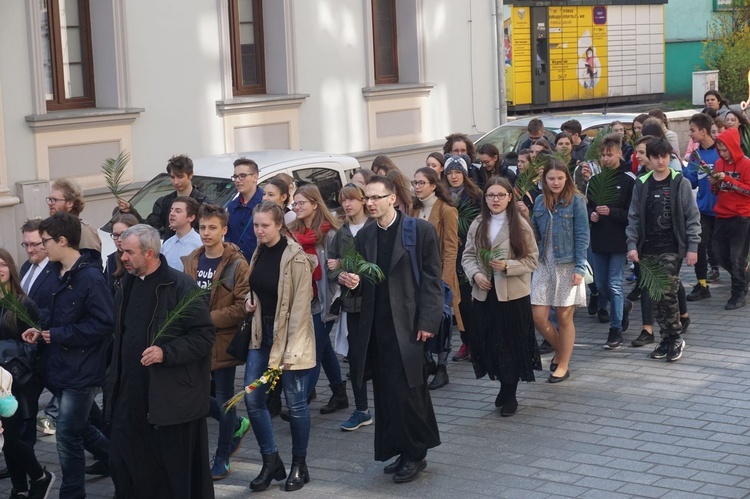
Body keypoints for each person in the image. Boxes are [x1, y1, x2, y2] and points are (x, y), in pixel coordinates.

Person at [340, 175, 442, 484]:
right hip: (375, 327)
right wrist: (352, 282)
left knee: (409, 390)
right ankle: (399, 448)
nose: (369, 203)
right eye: (366, 198)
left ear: (392, 199)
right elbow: (357, 279)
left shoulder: (419, 230)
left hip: (408, 325)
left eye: (375, 197)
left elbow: (432, 280)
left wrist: (427, 322)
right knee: (385, 392)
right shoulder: (365, 235)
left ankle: (415, 453)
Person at [105, 224, 215, 498]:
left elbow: (204, 336)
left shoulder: (180, 286)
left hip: (167, 398)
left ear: (150, 253)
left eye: (129, 252)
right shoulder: (126, 284)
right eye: (122, 252)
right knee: (124, 462)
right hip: (129, 393)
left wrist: (166, 352)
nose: (124, 258)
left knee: (168, 471)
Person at [21, 212, 111, 498]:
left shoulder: (90, 277)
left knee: (67, 434)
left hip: (82, 369)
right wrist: (40, 328)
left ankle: (72, 493)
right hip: (60, 365)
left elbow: (104, 323)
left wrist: (59, 334)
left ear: (62, 240)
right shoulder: (59, 272)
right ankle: (121, 461)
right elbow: (60, 314)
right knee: (78, 427)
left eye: (46, 240)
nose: (42, 246)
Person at [243, 201, 316, 492]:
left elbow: (301, 308)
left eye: (265, 225)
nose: (259, 230)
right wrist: (251, 303)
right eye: (256, 225)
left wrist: (290, 351)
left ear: (278, 226)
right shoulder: (258, 250)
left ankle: (300, 464)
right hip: (262, 336)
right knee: (251, 397)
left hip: (291, 339)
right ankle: (270, 459)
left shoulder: (296, 258)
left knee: (295, 404)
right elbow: (259, 288)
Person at [182, 204, 251, 480]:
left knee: (224, 397)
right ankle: (237, 423)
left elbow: (242, 306)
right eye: (202, 227)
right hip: (195, 339)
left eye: (212, 228)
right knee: (195, 393)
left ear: (224, 230)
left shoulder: (236, 263)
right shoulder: (192, 260)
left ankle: (222, 456)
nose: (206, 233)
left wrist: (207, 318)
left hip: (222, 339)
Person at [461, 177, 540, 416]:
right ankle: (503, 385)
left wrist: (507, 265)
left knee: (511, 343)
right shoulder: (478, 223)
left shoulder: (520, 225)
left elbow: (532, 260)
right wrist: (475, 275)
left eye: (500, 195)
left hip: (512, 295)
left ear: (509, 197)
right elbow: (468, 256)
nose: (495, 200)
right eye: (490, 195)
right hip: (485, 293)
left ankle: (510, 392)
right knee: (489, 342)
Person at [626, 138, 700, 361]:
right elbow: (634, 218)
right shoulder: (642, 183)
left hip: (671, 248)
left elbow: (692, 216)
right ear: (649, 157)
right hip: (647, 248)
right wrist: (632, 246)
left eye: (664, 156)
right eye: (656, 156)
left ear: (670, 157)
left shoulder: (680, 182)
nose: (660, 161)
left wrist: (692, 247)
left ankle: (676, 337)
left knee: (667, 293)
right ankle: (666, 338)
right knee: (655, 295)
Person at [0, 248, 56, 499]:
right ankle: (20, 489)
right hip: (0, 380)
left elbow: (33, 344)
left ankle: (40, 477)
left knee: (13, 438)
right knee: (7, 440)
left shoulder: (23, 304)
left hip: (19, 380)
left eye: (1, 264)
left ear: (10, 268)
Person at [288, 185, 348, 414]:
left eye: (302, 203)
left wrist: (340, 266)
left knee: (312, 348)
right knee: (323, 349)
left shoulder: (330, 232)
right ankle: (339, 393)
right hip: (303, 299)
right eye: (295, 204)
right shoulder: (292, 233)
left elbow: (346, 261)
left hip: (326, 299)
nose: (297, 207)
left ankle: (300, 401)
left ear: (315, 204)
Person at [530, 160, 589, 383]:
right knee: (538, 316)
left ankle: (563, 363)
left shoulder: (576, 202)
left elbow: (583, 236)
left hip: (568, 264)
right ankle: (561, 350)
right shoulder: (538, 201)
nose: (555, 182)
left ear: (567, 178)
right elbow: (535, 234)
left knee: (564, 317)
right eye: (551, 178)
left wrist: (579, 268)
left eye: (560, 178)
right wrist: (526, 215)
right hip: (544, 263)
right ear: (544, 180)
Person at [326, 183, 374, 431]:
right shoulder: (340, 232)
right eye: (343, 200)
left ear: (363, 201)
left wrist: (348, 269)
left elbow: (379, 264)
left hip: (375, 302)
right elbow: (330, 268)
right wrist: (341, 276)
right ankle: (361, 409)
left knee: (378, 356)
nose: (347, 205)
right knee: (355, 358)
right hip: (350, 304)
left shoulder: (374, 227)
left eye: (352, 199)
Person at [410, 167, 460, 390]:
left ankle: (442, 367)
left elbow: (450, 248)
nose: (417, 187)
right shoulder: (414, 207)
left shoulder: (446, 210)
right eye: (415, 183)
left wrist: (445, 279)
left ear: (433, 185)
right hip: (416, 274)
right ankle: (427, 362)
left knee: (442, 321)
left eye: (422, 183)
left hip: (438, 275)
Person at [586, 134, 636, 349]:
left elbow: (632, 214)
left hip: (618, 240)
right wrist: (591, 214)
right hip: (598, 239)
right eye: (603, 156)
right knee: (601, 283)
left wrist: (612, 212)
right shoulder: (595, 181)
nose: (606, 159)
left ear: (619, 154)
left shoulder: (628, 179)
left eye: (610, 155)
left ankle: (615, 329)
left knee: (614, 283)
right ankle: (622, 305)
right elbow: (587, 205)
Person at [19, 219, 60, 439]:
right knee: (26, 409)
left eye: (35, 244)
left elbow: (52, 310)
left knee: (80, 414)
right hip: (30, 353)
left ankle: (106, 451)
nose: (30, 249)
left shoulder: (55, 271)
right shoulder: (27, 267)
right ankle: (25, 460)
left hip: (48, 350)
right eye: (26, 244)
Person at [442, 155, 483, 365]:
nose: (454, 176)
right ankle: (466, 342)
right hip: (449, 255)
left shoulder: (475, 196)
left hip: (469, 254)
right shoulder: (442, 196)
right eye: (450, 172)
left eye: (458, 172)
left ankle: (476, 343)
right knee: (458, 303)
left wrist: (461, 231)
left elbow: (481, 223)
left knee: (469, 301)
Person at [116, 155, 211, 240]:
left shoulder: (205, 204)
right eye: (172, 177)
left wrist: (184, 228)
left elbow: (210, 233)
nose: (176, 182)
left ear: (190, 175)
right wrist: (130, 211)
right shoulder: (164, 202)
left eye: (180, 177)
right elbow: (148, 227)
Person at [710, 128, 750, 310]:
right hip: (722, 215)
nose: (723, 153)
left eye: (725, 149)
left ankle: (739, 292)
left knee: (737, 257)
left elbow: (748, 190)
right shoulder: (719, 163)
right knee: (720, 254)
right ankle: (742, 277)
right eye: (720, 149)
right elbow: (717, 192)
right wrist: (715, 185)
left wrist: (728, 179)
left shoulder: (746, 164)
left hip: (741, 217)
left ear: (733, 146)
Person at [683, 113, 721, 302]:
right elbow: (691, 182)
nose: (690, 134)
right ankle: (702, 285)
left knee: (726, 250)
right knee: (699, 246)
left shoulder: (722, 150)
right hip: (704, 210)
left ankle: (741, 281)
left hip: (725, 210)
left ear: (703, 131)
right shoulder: (695, 156)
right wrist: (679, 168)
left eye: (692, 130)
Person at [48, 178, 102, 265]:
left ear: (70, 203)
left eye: (55, 200)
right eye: (49, 199)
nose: (50, 203)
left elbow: (91, 267)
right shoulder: (53, 229)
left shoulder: (84, 231)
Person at [226, 157, 265, 261]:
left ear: (255, 177)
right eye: (235, 176)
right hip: (236, 264)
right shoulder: (232, 206)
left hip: (259, 263)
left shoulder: (266, 204)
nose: (238, 180)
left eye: (242, 176)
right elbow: (228, 236)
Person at [160, 196, 202, 272]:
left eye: (178, 211)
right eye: (171, 210)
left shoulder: (199, 244)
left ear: (191, 218)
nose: (172, 214)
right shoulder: (167, 244)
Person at [105, 213, 140, 295]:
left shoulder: (142, 260)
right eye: (115, 235)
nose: (119, 239)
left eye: (124, 234)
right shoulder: (111, 260)